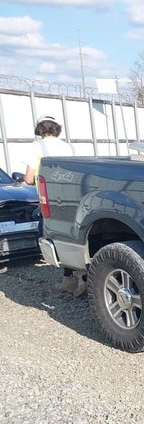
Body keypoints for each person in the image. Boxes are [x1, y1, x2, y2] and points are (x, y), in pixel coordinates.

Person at [21, 115, 83, 296]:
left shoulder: (36, 147)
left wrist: (35, 181)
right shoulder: (68, 147)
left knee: (52, 237)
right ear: (57, 128)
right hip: (71, 197)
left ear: (39, 129)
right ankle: (72, 279)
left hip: (49, 198)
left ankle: (74, 277)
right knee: (71, 236)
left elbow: (28, 178)